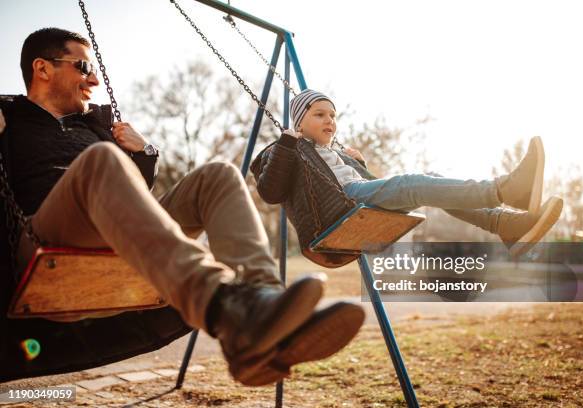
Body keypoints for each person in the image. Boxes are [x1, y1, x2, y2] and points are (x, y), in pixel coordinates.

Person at [0, 28, 365, 386]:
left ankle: (263, 310)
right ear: (42, 69)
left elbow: (133, 193)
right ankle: (226, 311)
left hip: (114, 238)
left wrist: (144, 152)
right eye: (82, 67)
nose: (93, 79)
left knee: (217, 176)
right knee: (101, 161)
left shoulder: (98, 128)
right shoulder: (10, 118)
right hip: (42, 241)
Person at [251, 89, 563, 258]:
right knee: (413, 184)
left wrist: (358, 164)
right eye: (319, 114)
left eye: (333, 115)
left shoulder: (334, 153)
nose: (329, 120)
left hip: (357, 196)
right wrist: (286, 142)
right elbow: (270, 192)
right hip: (340, 209)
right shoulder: (291, 148)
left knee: (430, 179)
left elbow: (373, 187)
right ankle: (507, 189)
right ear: (299, 123)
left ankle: (506, 225)